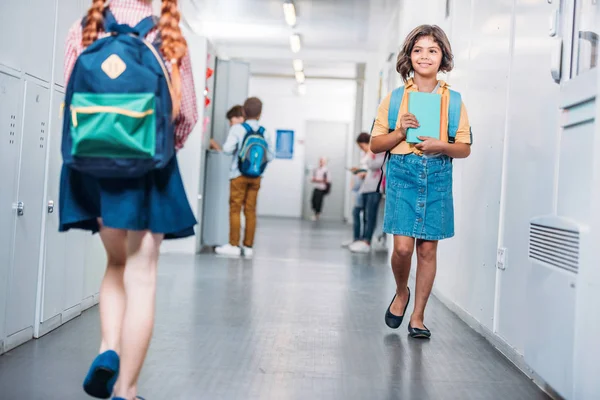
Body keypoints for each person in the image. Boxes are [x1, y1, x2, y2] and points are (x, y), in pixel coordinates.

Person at [60, 1, 198, 399]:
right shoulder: (168, 34)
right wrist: (162, 147)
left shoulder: (83, 28)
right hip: (148, 168)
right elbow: (184, 114)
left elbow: (71, 102)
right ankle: (127, 390)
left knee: (115, 263)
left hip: (94, 168)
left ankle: (108, 349)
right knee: (142, 275)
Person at [370, 25, 472, 339]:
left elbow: (464, 148)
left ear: (442, 57)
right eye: (418, 50)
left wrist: (441, 146)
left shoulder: (453, 100)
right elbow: (376, 145)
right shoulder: (395, 98)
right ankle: (402, 292)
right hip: (402, 173)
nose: (424, 56)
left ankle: (418, 317)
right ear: (409, 57)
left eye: (432, 50)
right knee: (402, 249)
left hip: (438, 173)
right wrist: (400, 132)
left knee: (427, 251)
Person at [215, 97, 273, 257]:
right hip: (257, 177)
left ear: (244, 112)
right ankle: (248, 247)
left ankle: (234, 245)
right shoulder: (264, 132)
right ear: (260, 113)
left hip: (238, 175)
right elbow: (271, 155)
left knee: (235, 209)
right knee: (251, 210)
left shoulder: (238, 129)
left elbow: (227, 149)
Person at [349, 136, 386, 254]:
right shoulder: (373, 153)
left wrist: (370, 154)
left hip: (375, 189)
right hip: (367, 188)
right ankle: (363, 240)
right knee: (365, 216)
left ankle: (367, 241)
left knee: (371, 216)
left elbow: (372, 165)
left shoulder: (382, 153)